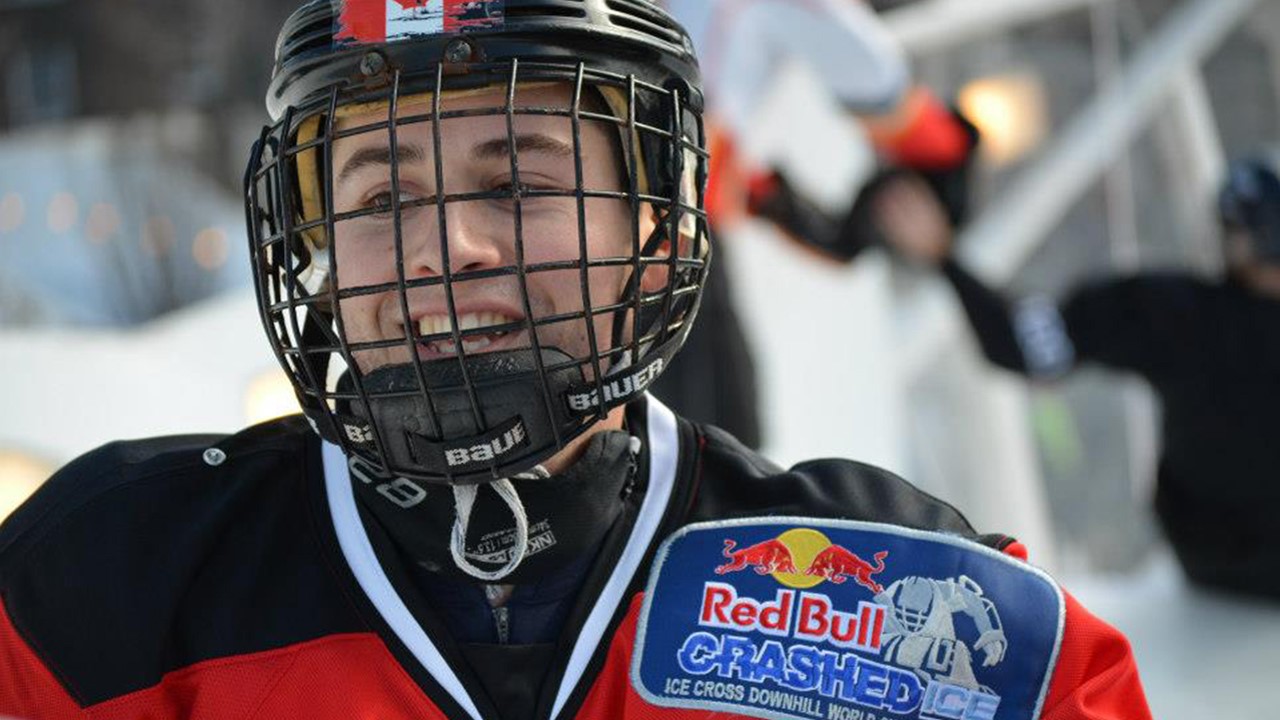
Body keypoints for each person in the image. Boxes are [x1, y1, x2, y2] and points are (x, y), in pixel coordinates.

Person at [0, 2, 1150, 719]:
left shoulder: (921, 610)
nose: (445, 246)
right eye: (380, 197)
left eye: (517, 182)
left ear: (655, 232)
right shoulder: (99, 592)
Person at [877, 153, 1280, 601]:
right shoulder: (1184, 317)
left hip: (1213, 562)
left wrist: (943, 255)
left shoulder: (1184, 316)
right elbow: (1030, 345)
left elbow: (1026, 346)